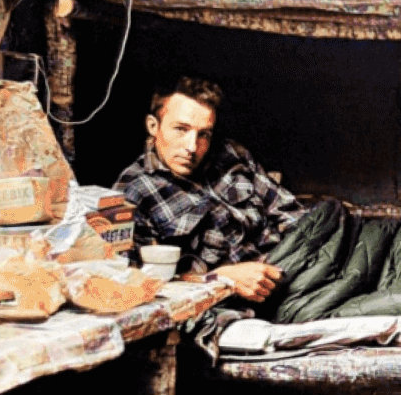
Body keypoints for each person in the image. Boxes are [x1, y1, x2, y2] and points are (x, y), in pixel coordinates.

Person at [110, 77, 301, 305]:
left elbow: (292, 214)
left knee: (335, 217)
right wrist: (220, 278)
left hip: (291, 269)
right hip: (229, 301)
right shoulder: (128, 193)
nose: (192, 147)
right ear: (153, 126)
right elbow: (134, 282)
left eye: (204, 135)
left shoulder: (231, 155)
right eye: (181, 129)